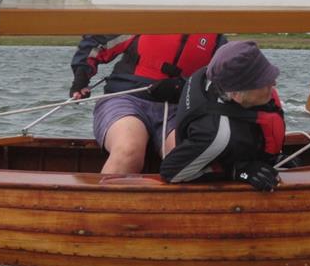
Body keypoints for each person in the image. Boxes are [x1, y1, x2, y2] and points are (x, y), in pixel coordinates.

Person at [70, 33, 226, 174]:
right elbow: (96, 42)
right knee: (128, 149)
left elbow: (221, 84)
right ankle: (101, 204)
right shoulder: (145, 19)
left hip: (179, 110)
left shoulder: (217, 40)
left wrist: (182, 85)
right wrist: (81, 77)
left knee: (187, 159)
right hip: (126, 98)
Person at [160, 41, 285, 192]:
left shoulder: (214, 72)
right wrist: (236, 171)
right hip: (212, 150)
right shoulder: (217, 135)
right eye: (263, 82)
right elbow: (170, 172)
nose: (274, 83)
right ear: (236, 94)